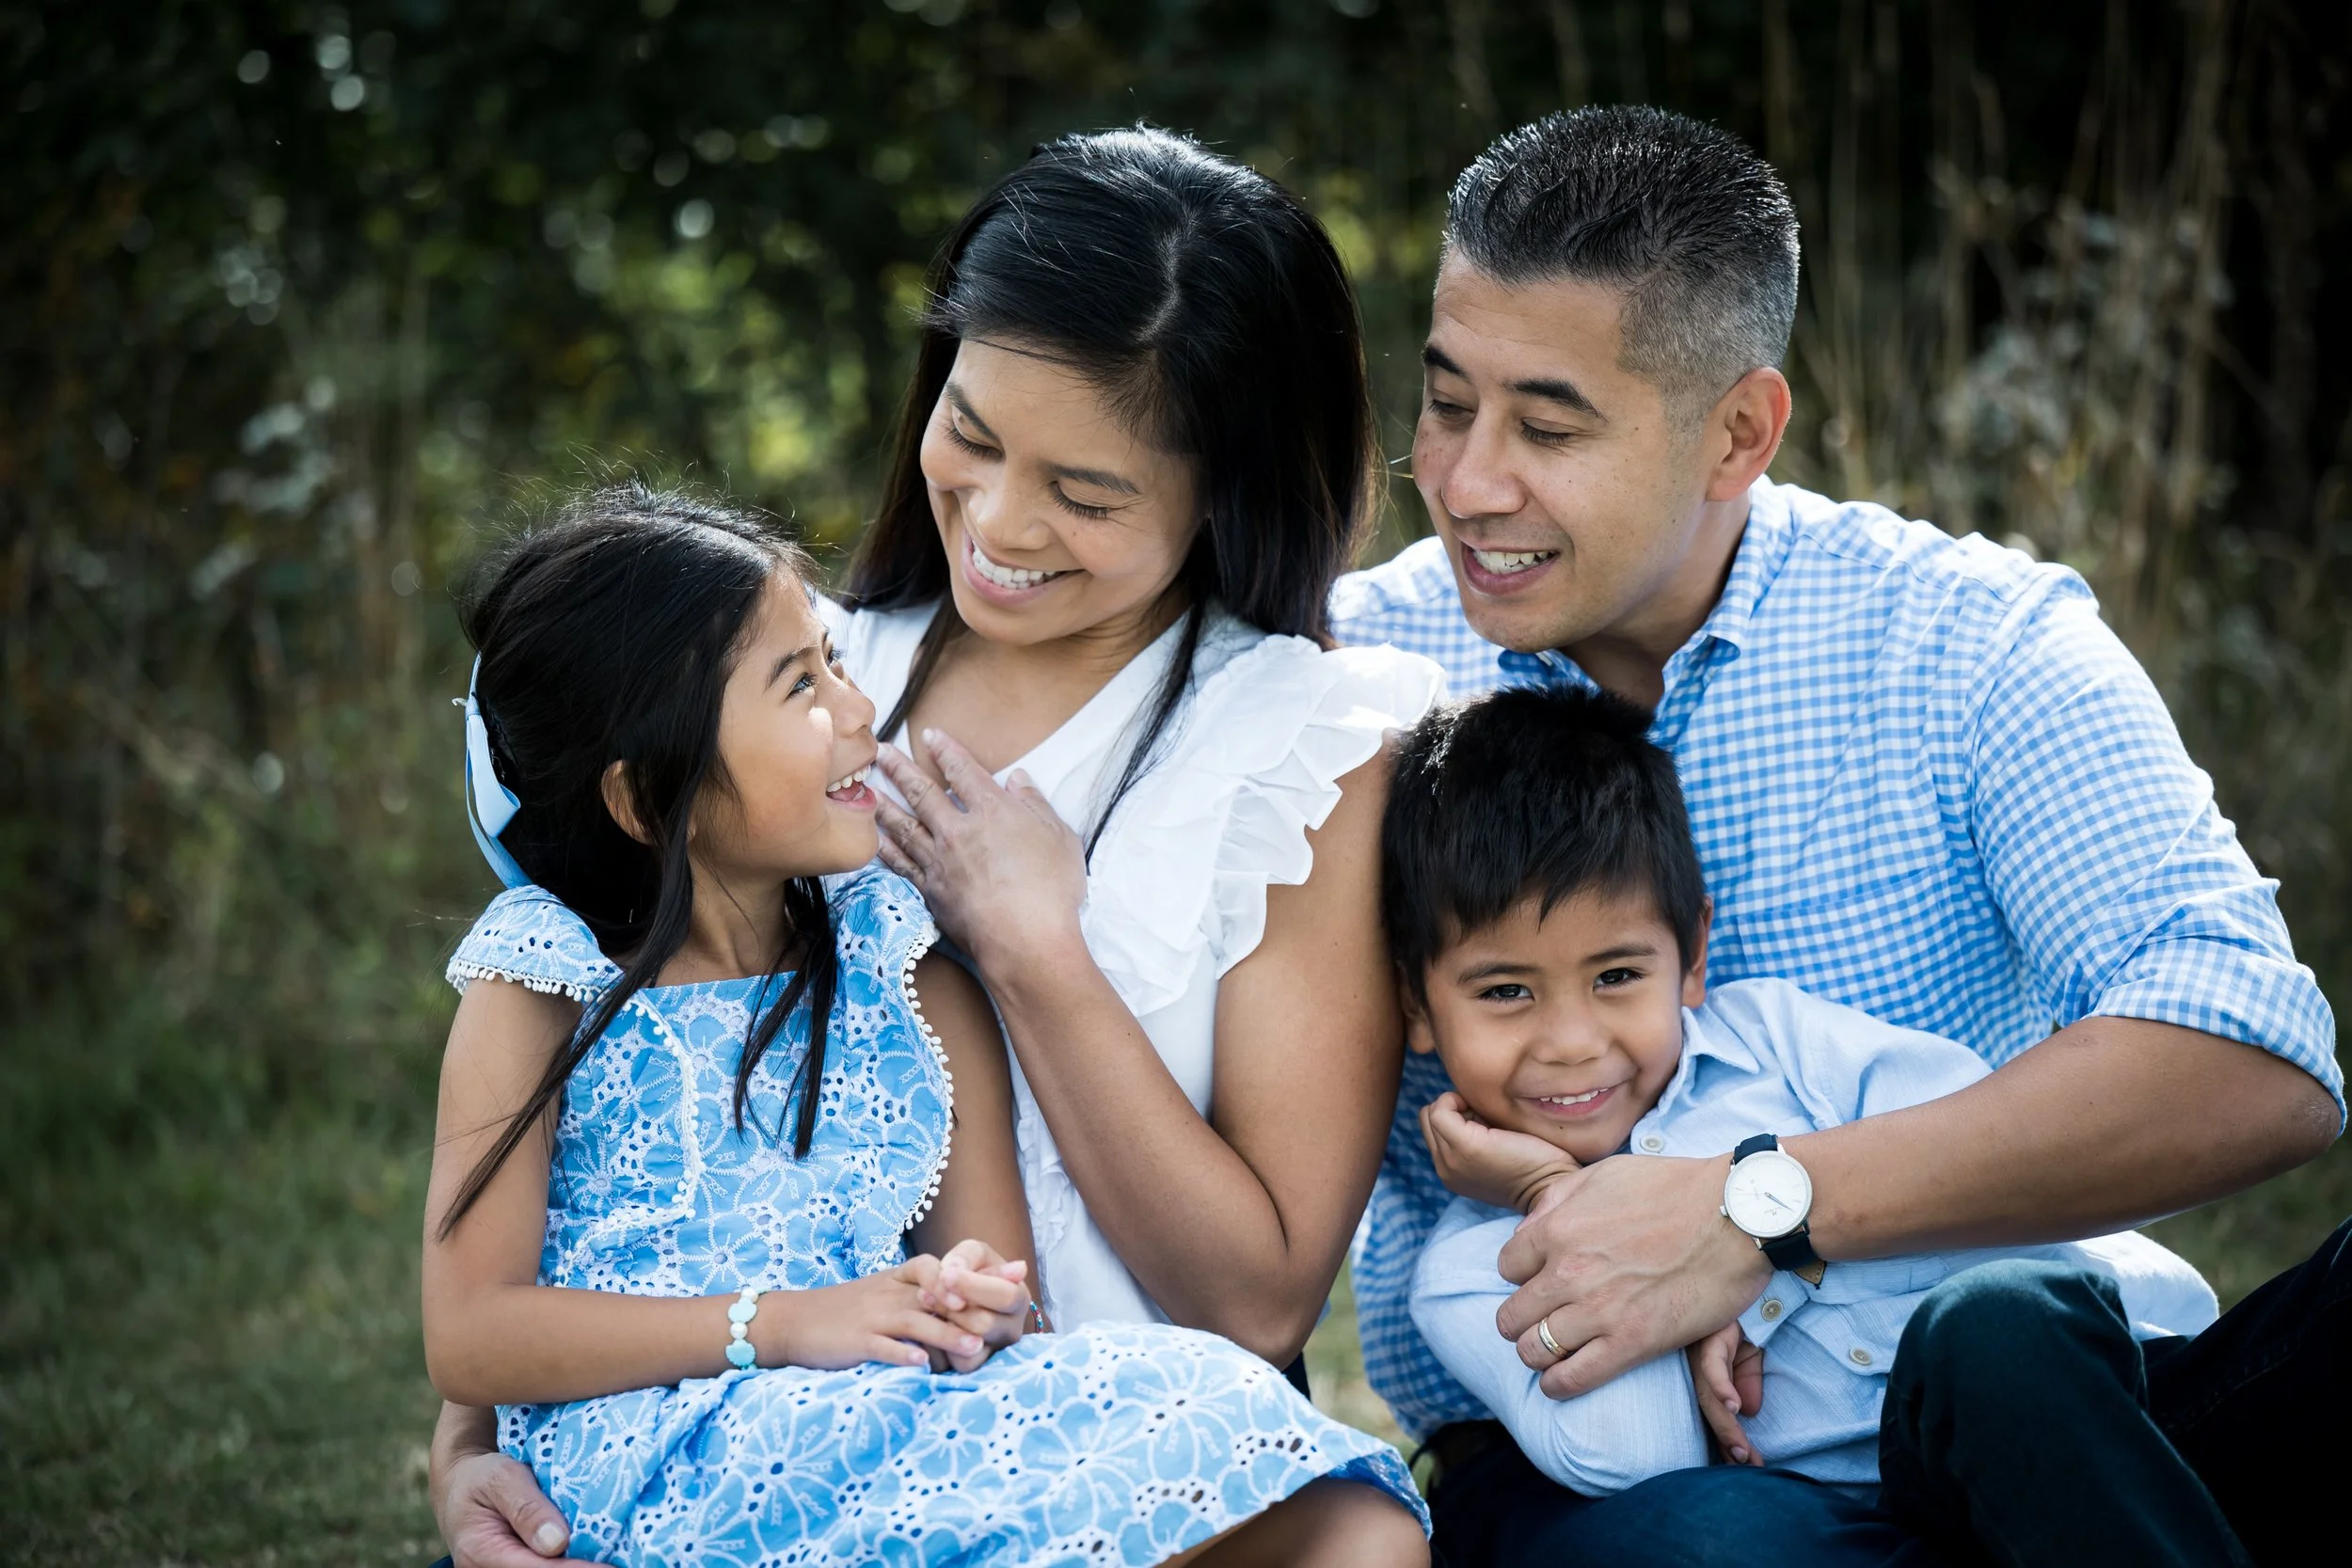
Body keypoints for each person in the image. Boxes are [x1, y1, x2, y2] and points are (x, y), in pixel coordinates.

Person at [1329, 105, 2342, 1564]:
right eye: (1445, 403)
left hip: (2022, 1408)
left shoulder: (1967, 640)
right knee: (1712, 1547)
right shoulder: (1353, 687)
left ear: (1739, 431)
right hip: (1623, 1474)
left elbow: (2254, 1056)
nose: (1470, 479)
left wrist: (1758, 1208)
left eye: (1548, 428)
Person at [430, 127, 1445, 1564]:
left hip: (1095, 1448)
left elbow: (1258, 1300)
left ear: (1228, 485)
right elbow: (586, 1114)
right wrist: (471, 1446)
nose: (1002, 522)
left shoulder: (1299, 749)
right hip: (745, 1449)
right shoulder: (799, 672)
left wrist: (1034, 949)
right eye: (972, 433)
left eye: (1086, 493)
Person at [1386, 687, 2212, 1516]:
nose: (1570, 1041)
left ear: (1693, 955)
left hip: (2088, 1405)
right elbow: (1641, 1460)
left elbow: (2001, 1189)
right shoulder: (1471, 1271)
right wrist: (1559, 1199)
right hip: (1860, 1524)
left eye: (1617, 975)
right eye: (1504, 991)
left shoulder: (1780, 1044)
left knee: (1997, 1328)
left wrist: (1754, 1258)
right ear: (1416, 1001)